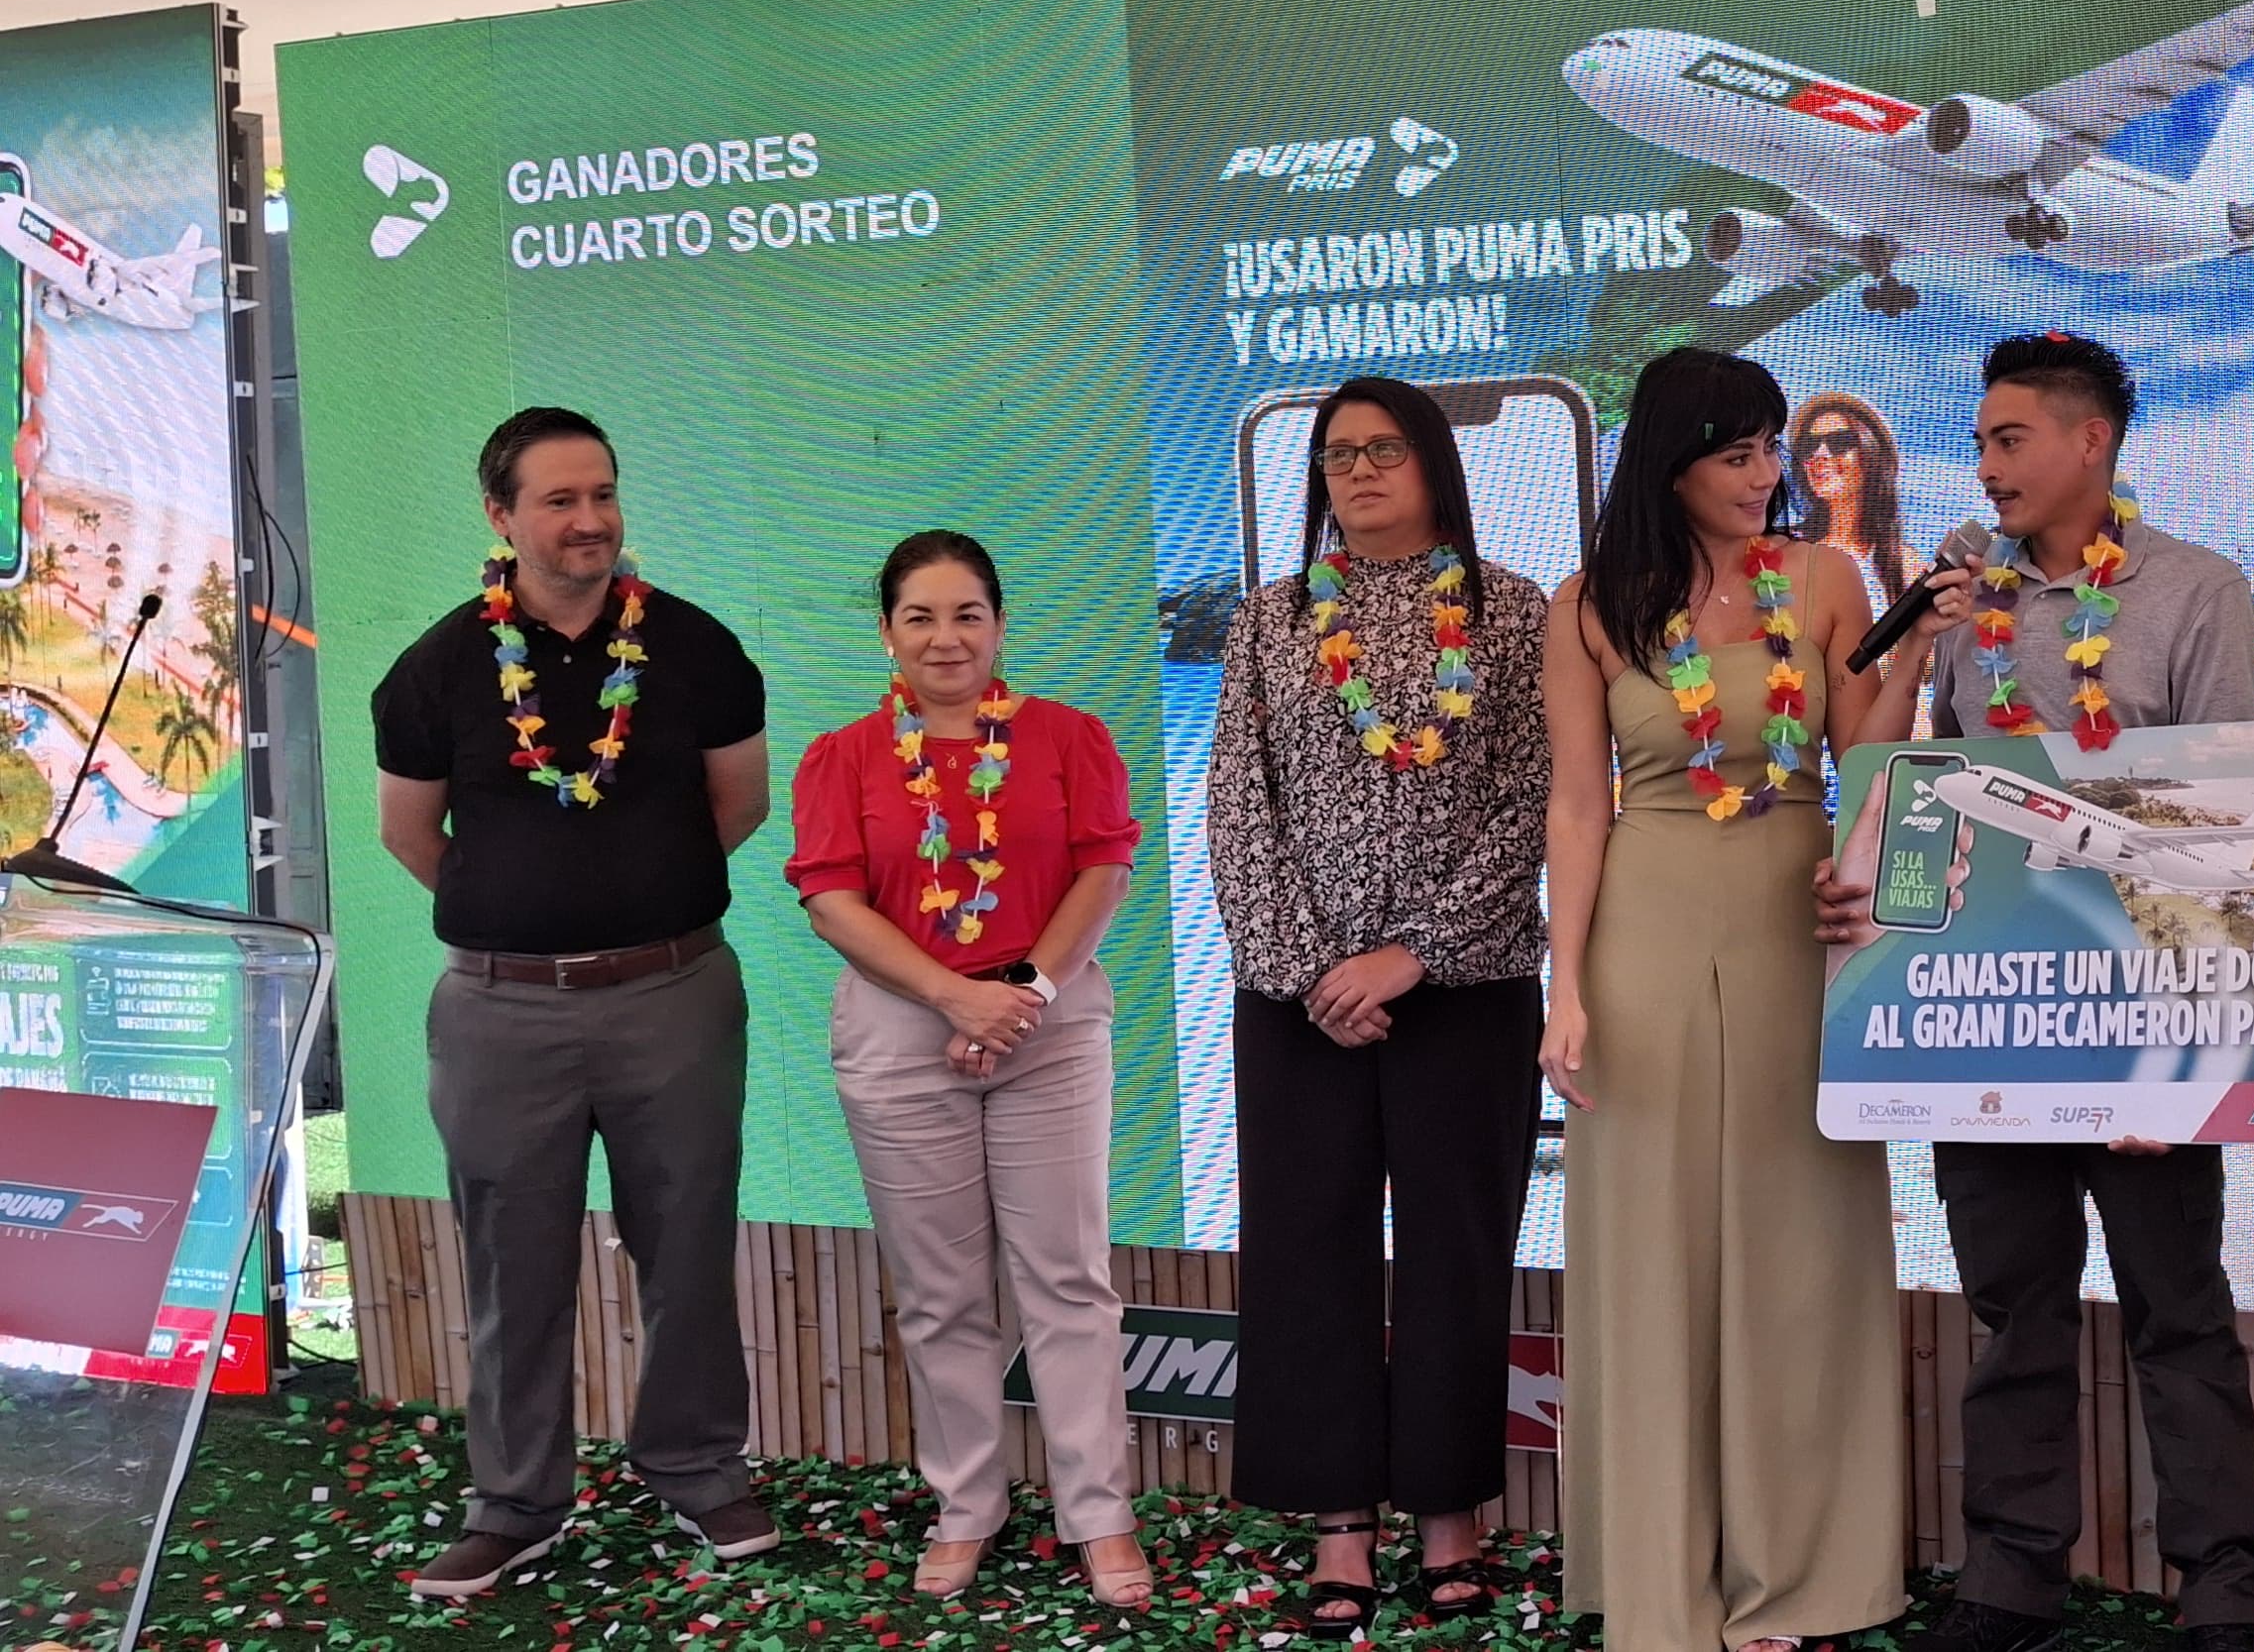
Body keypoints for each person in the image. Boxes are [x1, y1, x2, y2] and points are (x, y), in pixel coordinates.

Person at [1825, 330, 2254, 1652]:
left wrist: (2180, 1060)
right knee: (2012, 1310)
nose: (1987, 465)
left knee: (2178, 1311)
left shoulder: (2196, 588)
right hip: (1992, 1014)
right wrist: (1866, 892)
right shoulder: (1966, 604)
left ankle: (2223, 1591)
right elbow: (1933, 798)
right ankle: (2011, 1581)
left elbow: (2227, 820)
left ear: (2093, 442)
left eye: (2010, 439)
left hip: (2143, 1023)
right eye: (1979, 442)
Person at [374, 407, 779, 1598]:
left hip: (674, 994)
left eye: (602, 493)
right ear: (500, 516)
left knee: (689, 1244)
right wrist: (525, 921)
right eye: (559, 500)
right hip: (501, 1016)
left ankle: (700, 1468)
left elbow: (739, 805)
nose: (589, 519)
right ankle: (515, 1505)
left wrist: (635, 905)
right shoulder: (436, 668)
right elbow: (411, 834)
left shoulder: (697, 648)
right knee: (513, 1264)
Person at [1543, 347, 1905, 1652]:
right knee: (1648, 1249)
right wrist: (1564, 984)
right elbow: (1576, 805)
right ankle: (1661, 1579)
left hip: (1796, 921)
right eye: (1735, 452)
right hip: (1642, 925)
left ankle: (1797, 1574)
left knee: (1804, 1244)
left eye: (1769, 450)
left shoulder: (1824, 578)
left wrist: (1916, 654)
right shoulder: (1591, 604)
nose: (1764, 475)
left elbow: (1870, 755)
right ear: (1671, 463)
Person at [1205, 377, 1554, 1641]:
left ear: (1434, 468)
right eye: (1338, 454)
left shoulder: (1513, 612)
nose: (1357, 472)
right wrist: (1313, 970)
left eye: (1384, 450)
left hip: (1466, 992)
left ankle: (1450, 1518)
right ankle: (1340, 1524)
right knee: (1310, 1252)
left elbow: (1534, 802)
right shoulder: (1271, 620)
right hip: (1299, 1001)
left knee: (1459, 1253)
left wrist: (1414, 955)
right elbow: (1237, 808)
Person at [784, 531, 1150, 1607]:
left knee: (1068, 1281)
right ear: (887, 632)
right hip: (904, 1033)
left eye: (967, 615)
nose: (946, 638)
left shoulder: (1069, 737)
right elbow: (831, 901)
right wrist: (955, 998)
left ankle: (1101, 1515)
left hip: (1048, 1024)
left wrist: (1021, 994)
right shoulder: (843, 756)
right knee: (940, 1295)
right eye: (921, 617)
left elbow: (1103, 870)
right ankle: (966, 1508)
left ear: (999, 624)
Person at [1793, 389, 1915, 609]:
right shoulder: (1784, 550)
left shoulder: (1905, 566)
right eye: (1809, 445)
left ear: (1871, 455)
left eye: (1839, 442)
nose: (1820, 454)